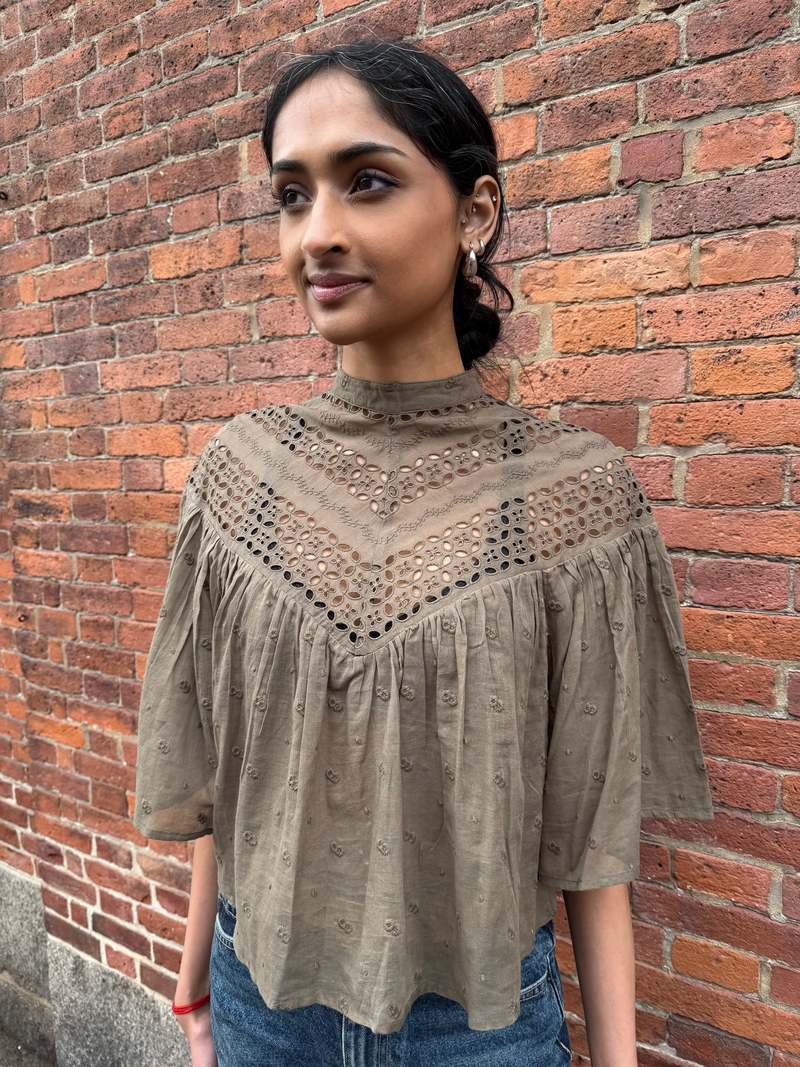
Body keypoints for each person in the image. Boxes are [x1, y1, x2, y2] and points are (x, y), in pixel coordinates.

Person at [132, 36, 714, 1067]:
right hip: (260, 996)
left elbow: (590, 826)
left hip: (478, 1022)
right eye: (291, 195)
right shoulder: (238, 475)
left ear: (474, 213)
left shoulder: (575, 497)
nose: (319, 232)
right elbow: (236, 768)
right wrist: (192, 985)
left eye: (366, 181)